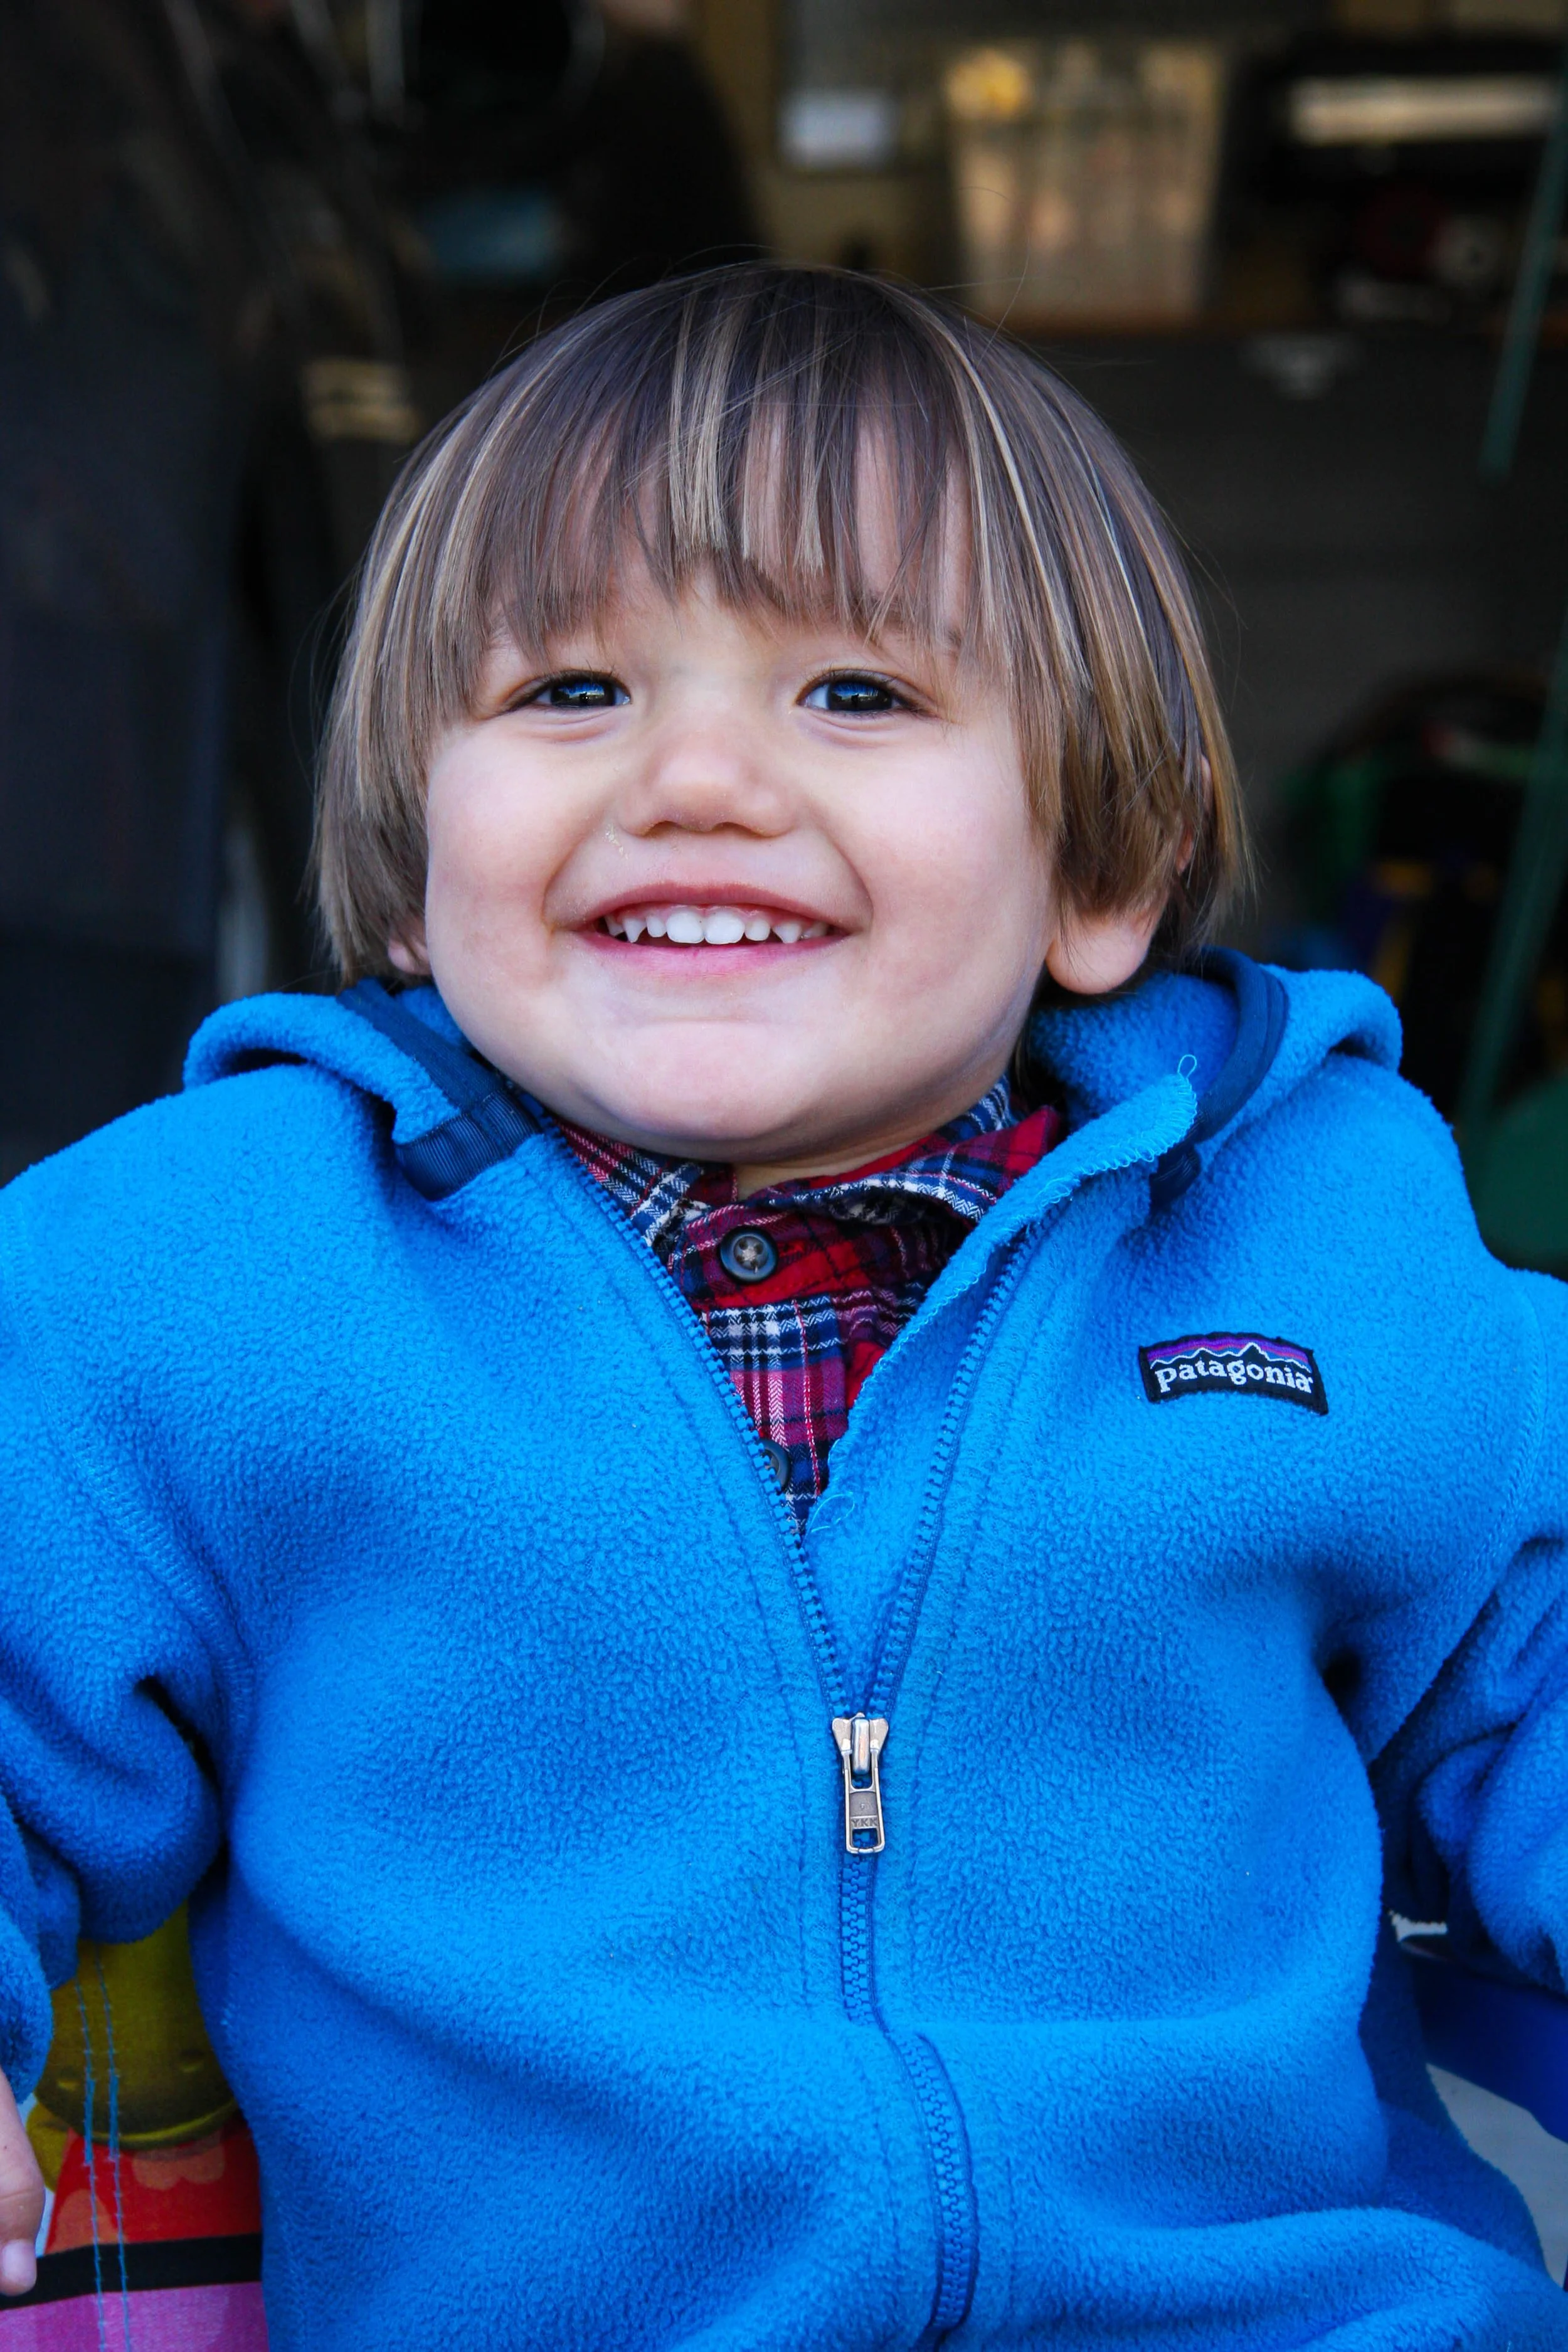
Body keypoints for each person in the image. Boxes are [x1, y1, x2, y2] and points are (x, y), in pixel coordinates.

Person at [0, 263, 1562, 2351]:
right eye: (572, 693)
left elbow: (1536, 1641)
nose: (699, 778)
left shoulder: (1306, 1227)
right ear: (398, 866)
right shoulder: (204, 1273)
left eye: (854, 694)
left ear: (1099, 866)